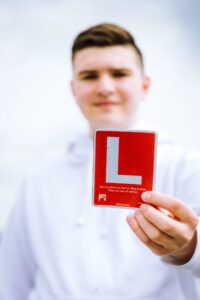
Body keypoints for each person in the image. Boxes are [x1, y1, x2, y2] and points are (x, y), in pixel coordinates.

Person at [0, 22, 200, 300]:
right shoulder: (37, 181)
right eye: (89, 75)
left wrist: (189, 248)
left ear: (144, 85)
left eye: (119, 73)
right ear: (73, 88)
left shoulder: (186, 167)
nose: (105, 87)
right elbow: (10, 281)